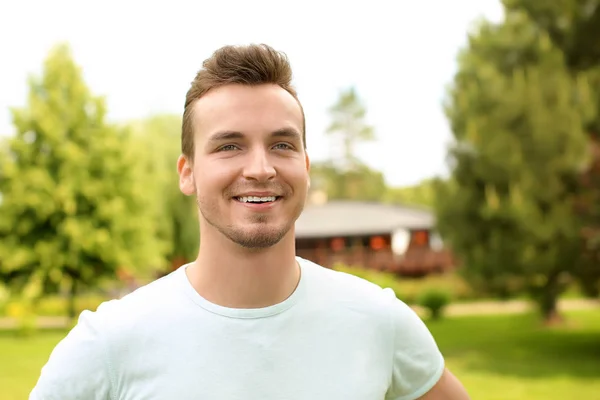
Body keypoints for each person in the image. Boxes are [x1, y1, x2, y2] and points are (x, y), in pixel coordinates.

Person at [30, 43, 470, 400]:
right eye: (229, 146)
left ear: (306, 165)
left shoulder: (379, 321)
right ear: (187, 172)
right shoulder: (108, 344)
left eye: (282, 145)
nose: (260, 168)